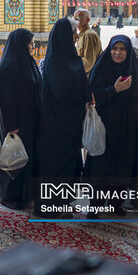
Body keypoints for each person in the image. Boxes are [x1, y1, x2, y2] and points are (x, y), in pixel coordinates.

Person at [85, 36, 138, 217]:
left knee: (121, 168)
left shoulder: (133, 72)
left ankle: (116, 204)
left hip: (126, 130)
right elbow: (92, 95)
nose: (118, 53)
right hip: (104, 129)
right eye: (114, 49)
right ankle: (95, 205)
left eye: (122, 49)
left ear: (128, 52)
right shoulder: (101, 68)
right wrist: (115, 90)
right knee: (101, 168)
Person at [35, 18, 94, 218]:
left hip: (51, 124)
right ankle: (58, 205)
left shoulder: (50, 61)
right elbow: (83, 93)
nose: (76, 36)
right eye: (72, 33)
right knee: (64, 165)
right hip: (68, 124)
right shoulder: (73, 63)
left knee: (53, 164)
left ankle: (53, 204)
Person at [0, 28, 41, 210]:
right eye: (30, 44)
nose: (32, 47)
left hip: (29, 119)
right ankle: (8, 195)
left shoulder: (27, 61)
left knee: (22, 158)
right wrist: (11, 125)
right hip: (15, 121)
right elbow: (6, 99)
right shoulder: (9, 65)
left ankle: (23, 195)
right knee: (11, 158)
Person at [74, 8, 103, 75]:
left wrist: (72, 69)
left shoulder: (88, 35)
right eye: (74, 18)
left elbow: (88, 63)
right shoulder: (82, 34)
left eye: (78, 18)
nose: (75, 21)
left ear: (87, 20)